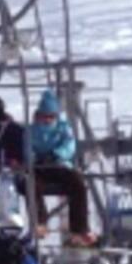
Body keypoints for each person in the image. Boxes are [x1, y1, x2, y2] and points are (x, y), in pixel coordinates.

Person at [26, 89, 94, 243]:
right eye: (44, 117)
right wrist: (34, 158)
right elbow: (26, 148)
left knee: (78, 183)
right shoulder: (30, 131)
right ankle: (40, 222)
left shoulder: (63, 128)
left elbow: (70, 145)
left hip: (59, 165)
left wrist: (57, 154)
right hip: (39, 167)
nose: (47, 120)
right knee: (31, 184)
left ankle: (79, 228)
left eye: (51, 117)